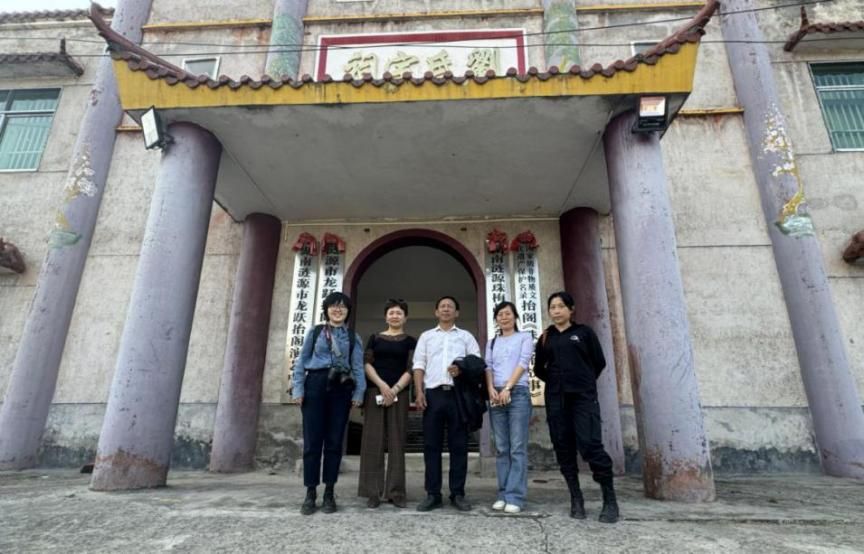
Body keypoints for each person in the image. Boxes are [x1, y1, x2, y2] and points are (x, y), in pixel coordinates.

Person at [534, 291, 620, 524]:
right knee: (563, 447)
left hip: (583, 399)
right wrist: (557, 383)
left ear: (571, 309)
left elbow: (598, 362)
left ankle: (609, 500)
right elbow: (539, 369)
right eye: (552, 307)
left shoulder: (584, 333)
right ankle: (576, 498)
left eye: (561, 306)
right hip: (556, 400)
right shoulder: (546, 337)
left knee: (591, 445)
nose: (556, 311)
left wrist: (581, 382)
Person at [292, 292, 365, 516]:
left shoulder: (353, 337)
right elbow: (301, 362)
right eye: (333, 306)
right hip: (315, 384)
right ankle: (310, 492)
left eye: (342, 307)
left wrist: (359, 392)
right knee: (312, 442)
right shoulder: (315, 332)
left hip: (341, 389)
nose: (338, 309)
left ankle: (329, 492)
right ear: (326, 309)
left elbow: (358, 367)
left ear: (348, 311)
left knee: (334, 442)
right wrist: (298, 389)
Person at [412, 296, 481, 512]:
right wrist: (419, 392)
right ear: (436, 312)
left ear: (457, 312)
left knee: (459, 446)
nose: (446, 309)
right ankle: (433, 494)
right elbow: (419, 365)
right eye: (442, 306)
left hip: (457, 396)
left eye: (450, 306)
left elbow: (477, 363)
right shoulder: (426, 336)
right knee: (431, 446)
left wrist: (461, 368)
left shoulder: (466, 337)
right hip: (433, 395)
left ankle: (457, 493)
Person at [358, 299, 417, 509]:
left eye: (399, 313)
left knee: (397, 441)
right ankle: (372, 492)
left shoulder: (411, 341)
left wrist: (395, 389)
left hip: (399, 393)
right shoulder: (375, 338)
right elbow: (366, 363)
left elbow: (412, 368)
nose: (395, 316)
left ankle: (396, 492)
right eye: (391, 312)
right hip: (375, 391)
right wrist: (382, 385)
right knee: (372, 441)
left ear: (405, 317)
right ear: (386, 317)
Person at [484, 301, 534, 514]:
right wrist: (490, 389)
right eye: (500, 314)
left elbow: (523, 363)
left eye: (508, 314)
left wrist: (508, 388)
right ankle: (503, 494)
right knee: (502, 448)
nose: (504, 317)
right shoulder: (492, 342)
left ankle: (515, 496)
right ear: (496, 319)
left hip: (518, 393)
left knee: (517, 447)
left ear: (515, 317)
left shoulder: (525, 337)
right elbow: (488, 367)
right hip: (496, 395)